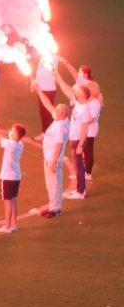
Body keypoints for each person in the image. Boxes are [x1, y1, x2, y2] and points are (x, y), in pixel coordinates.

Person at [54, 70, 93, 201]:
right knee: (77, 166)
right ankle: (78, 189)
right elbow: (66, 89)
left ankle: (81, 192)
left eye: (78, 91)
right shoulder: (78, 103)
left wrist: (80, 145)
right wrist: (58, 75)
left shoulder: (85, 109)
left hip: (78, 141)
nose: (76, 92)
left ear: (83, 95)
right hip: (74, 139)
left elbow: (85, 129)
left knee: (79, 166)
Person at [0, 115, 26, 233]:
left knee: (7, 203)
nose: (10, 131)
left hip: (7, 177)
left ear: (15, 135)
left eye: (12, 130)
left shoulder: (10, 144)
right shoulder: (19, 144)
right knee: (13, 200)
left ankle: (7, 227)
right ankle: (14, 224)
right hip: (16, 176)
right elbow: (5, 136)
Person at [33, 85, 70, 219]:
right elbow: (48, 104)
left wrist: (53, 161)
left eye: (57, 109)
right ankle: (54, 205)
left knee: (53, 184)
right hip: (51, 158)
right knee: (54, 183)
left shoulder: (60, 126)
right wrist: (38, 89)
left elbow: (59, 145)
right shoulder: (61, 119)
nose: (54, 110)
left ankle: (55, 209)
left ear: (62, 114)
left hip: (53, 159)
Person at [33, 52, 58, 137]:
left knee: (48, 111)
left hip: (49, 89)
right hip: (41, 89)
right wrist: (34, 83)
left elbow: (54, 69)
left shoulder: (54, 58)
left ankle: (51, 133)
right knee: (42, 111)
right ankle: (44, 132)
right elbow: (39, 71)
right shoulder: (42, 58)